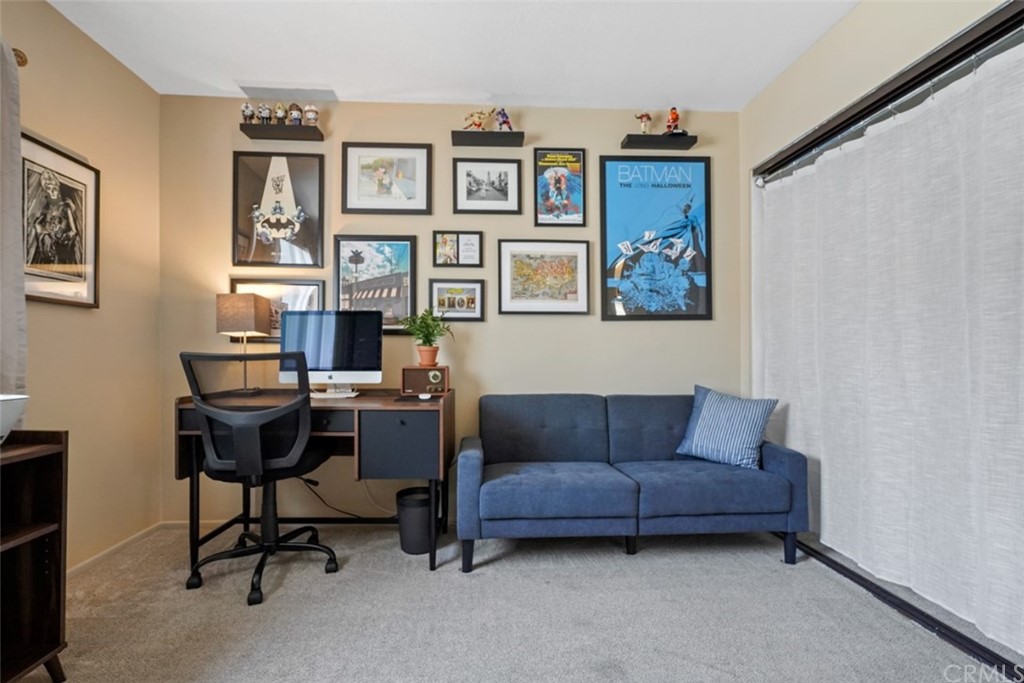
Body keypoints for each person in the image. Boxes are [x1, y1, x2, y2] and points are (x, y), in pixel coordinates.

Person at [25, 169, 83, 276]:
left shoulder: (66, 208)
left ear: (58, 189)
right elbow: (38, 225)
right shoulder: (46, 209)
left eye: (54, 188)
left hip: (62, 250)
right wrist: (45, 235)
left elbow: (74, 231)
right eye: (49, 188)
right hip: (48, 250)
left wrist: (64, 237)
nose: (52, 192)